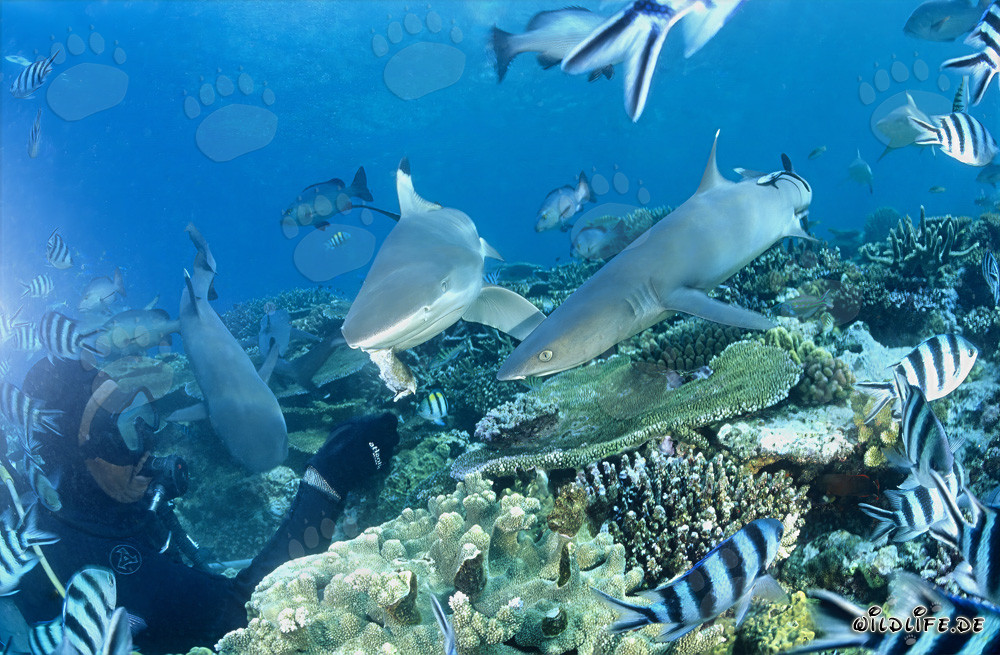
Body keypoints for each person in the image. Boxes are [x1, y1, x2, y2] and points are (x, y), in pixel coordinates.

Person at [8, 357, 399, 653]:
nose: (146, 446)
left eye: (143, 418)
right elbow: (245, 614)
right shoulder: (91, 554)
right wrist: (329, 477)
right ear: (79, 452)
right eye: (125, 430)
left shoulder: (107, 509)